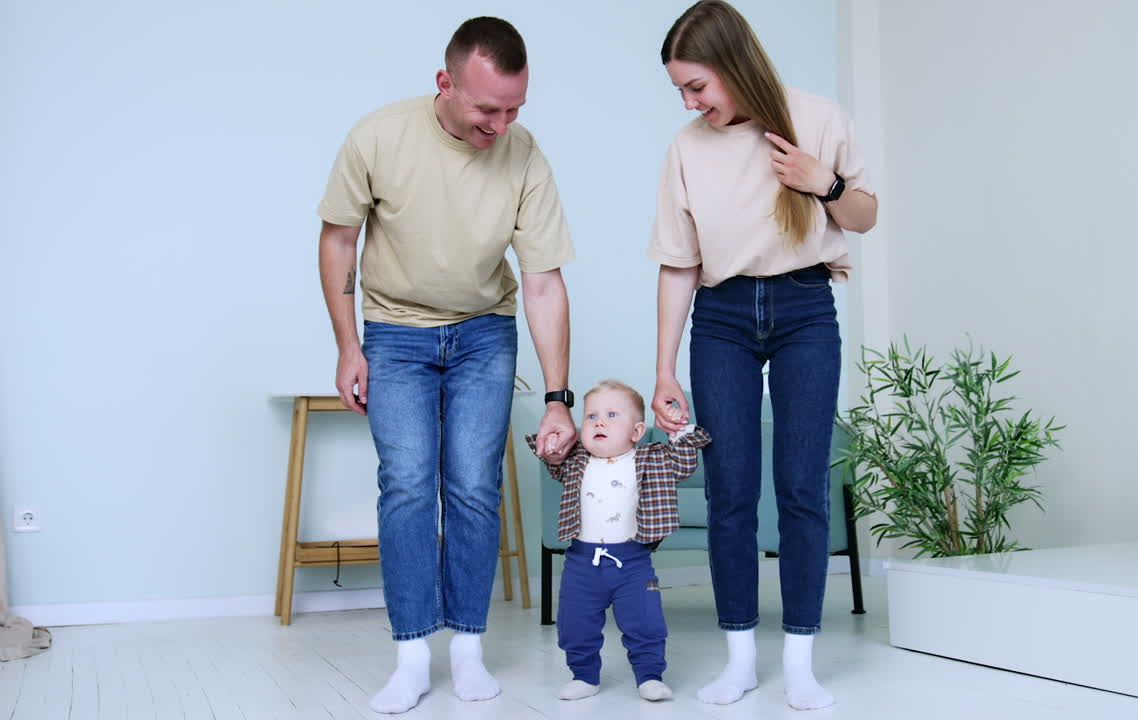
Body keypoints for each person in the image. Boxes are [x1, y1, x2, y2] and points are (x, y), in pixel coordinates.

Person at [316, 16, 577, 715]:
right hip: (394, 336)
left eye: (515, 108)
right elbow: (339, 241)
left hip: (484, 336)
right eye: (488, 108)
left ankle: (466, 648)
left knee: (472, 488)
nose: (502, 123)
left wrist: (558, 396)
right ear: (445, 83)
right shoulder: (379, 136)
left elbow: (544, 282)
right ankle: (410, 656)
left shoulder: (523, 154)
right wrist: (348, 344)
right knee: (406, 484)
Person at [647, 0, 878, 711]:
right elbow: (679, 264)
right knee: (731, 494)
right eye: (681, 90)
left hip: (805, 308)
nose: (690, 102)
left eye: (697, 86)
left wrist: (824, 183)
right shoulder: (687, 148)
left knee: (804, 489)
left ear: (733, 64)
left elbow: (866, 214)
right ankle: (741, 658)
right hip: (720, 318)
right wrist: (662, 368)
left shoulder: (819, 117)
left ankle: (801, 663)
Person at [526, 380, 710, 702]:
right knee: (574, 623)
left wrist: (679, 430)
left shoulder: (650, 458)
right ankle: (584, 674)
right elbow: (554, 463)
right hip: (582, 562)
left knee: (646, 621)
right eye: (591, 416)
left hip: (633, 562)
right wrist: (554, 449)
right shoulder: (577, 460)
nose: (599, 421)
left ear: (636, 432)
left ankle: (650, 675)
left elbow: (683, 465)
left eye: (612, 415)